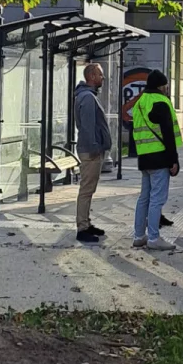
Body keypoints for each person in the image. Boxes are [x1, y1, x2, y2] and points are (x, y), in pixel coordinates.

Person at [131, 70, 181, 250]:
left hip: (144, 157)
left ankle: (138, 235)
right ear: (162, 86)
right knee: (157, 199)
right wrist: (173, 159)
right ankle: (153, 237)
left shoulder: (140, 103)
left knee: (144, 197)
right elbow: (167, 133)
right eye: (166, 85)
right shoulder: (160, 102)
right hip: (159, 157)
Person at [74, 63, 112, 243]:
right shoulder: (87, 98)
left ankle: (86, 223)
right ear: (91, 76)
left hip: (90, 150)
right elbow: (88, 127)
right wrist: (96, 148)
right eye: (100, 74)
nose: (102, 78)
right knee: (86, 189)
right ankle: (82, 227)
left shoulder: (87, 96)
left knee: (88, 189)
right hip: (90, 151)